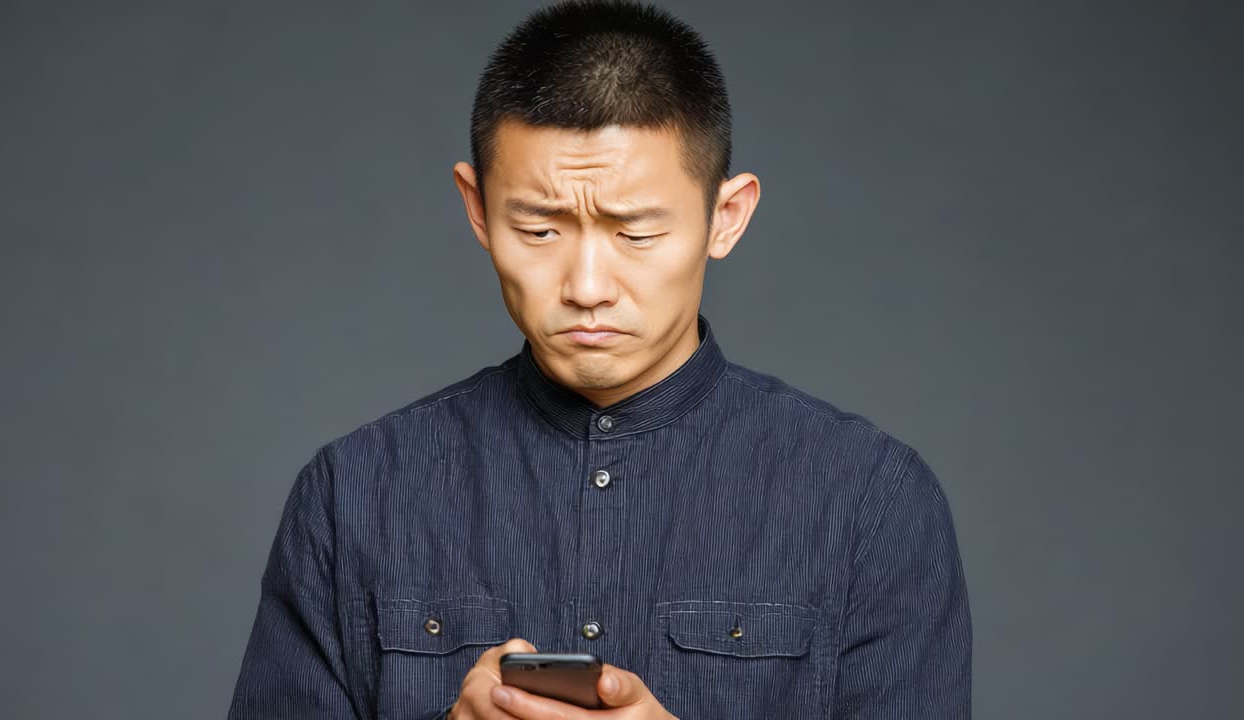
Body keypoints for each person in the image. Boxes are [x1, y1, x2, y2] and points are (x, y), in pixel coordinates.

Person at [227, 1, 972, 718]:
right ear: (477, 208)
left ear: (727, 217)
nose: (587, 288)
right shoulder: (352, 493)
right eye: (541, 230)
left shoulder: (872, 502)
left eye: (636, 233)